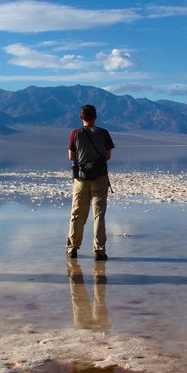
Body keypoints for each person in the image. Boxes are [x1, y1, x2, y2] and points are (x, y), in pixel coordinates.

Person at [66, 104, 115, 261]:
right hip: (100, 177)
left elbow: (71, 156)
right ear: (95, 116)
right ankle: (99, 250)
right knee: (99, 215)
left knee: (77, 213)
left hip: (81, 178)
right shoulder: (103, 133)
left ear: (81, 117)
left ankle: (72, 248)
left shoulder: (75, 133)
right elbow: (107, 156)